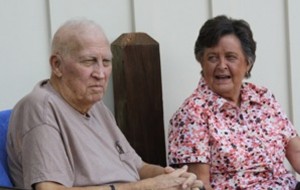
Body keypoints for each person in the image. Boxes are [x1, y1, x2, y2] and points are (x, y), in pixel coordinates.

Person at [6, 19, 204, 190]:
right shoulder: (40, 108)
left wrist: (173, 178)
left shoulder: (96, 107)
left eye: (106, 62)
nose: (100, 74)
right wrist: (146, 187)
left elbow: (137, 167)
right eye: (89, 61)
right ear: (57, 65)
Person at [168, 15, 300, 190]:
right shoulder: (192, 114)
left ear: (248, 63)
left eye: (230, 57)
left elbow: (296, 151)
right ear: (202, 62)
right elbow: (199, 184)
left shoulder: (263, 98)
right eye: (213, 58)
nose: (221, 65)